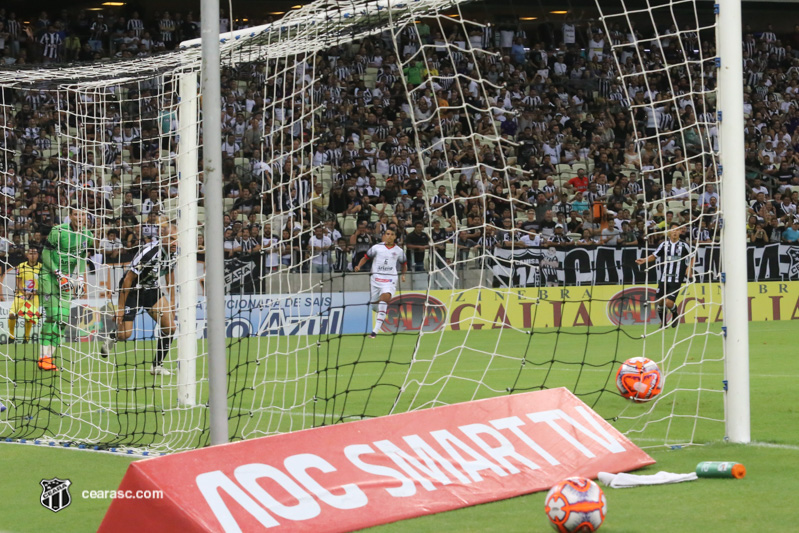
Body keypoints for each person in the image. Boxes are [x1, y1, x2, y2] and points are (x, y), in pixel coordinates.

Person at [100, 224, 178, 376]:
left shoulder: (174, 253)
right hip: (132, 291)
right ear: (163, 239)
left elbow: (170, 275)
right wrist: (120, 309)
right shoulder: (149, 253)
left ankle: (157, 366)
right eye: (172, 239)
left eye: (177, 239)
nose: (175, 243)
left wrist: (173, 302)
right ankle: (113, 336)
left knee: (170, 328)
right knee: (125, 335)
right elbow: (128, 279)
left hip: (151, 290)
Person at [39, 208, 93, 371]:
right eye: (76, 214)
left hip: (67, 278)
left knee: (62, 320)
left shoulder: (87, 235)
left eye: (82, 214)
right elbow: (45, 254)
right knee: (53, 315)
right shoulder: (58, 231)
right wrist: (58, 273)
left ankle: (48, 357)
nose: (79, 217)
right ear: (70, 216)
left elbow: (83, 256)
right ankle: (43, 357)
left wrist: (81, 278)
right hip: (49, 275)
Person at [636, 222, 694, 328]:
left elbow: (692, 256)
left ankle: (675, 313)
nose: (675, 232)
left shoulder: (684, 245)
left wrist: (689, 267)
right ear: (669, 232)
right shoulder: (664, 245)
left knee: (669, 303)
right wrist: (644, 260)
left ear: (680, 232)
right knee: (660, 301)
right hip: (664, 277)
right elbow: (654, 255)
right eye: (673, 230)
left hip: (676, 278)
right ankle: (663, 323)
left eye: (677, 230)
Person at [354, 228, 407, 338]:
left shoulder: (399, 251)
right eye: (387, 234)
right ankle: (383, 311)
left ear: (395, 237)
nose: (389, 236)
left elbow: (404, 264)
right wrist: (359, 266)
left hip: (390, 280)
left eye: (392, 234)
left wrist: (403, 275)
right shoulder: (376, 247)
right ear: (384, 235)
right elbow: (366, 258)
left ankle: (374, 332)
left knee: (384, 300)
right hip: (376, 280)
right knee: (374, 306)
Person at [6, 248, 42, 344]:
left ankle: (26, 338)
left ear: (37, 255)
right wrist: (24, 291)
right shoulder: (21, 266)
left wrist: (34, 293)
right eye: (31, 253)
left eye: (35, 253)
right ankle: (11, 337)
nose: (33, 255)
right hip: (22, 295)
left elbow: (44, 284)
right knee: (12, 315)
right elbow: (18, 280)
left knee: (28, 317)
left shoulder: (41, 267)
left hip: (35, 296)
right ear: (27, 255)